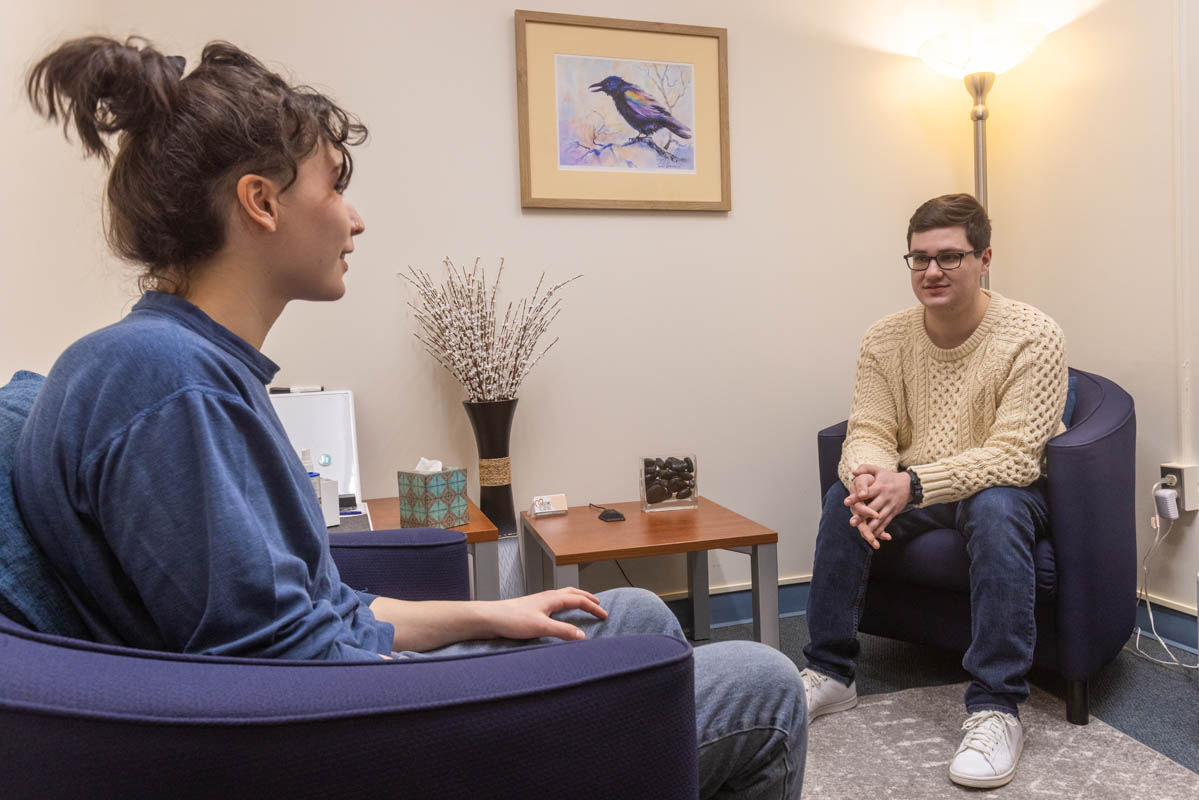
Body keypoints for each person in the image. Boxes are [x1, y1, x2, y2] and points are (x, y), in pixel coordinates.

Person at [14, 36, 805, 798]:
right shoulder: (168, 384)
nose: (354, 220)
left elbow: (316, 611)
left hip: (337, 692)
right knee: (764, 684)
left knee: (630, 610)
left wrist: (494, 614)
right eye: (333, 187)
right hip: (351, 740)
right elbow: (277, 668)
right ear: (260, 201)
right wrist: (480, 687)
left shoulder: (186, 365)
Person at [800, 193, 1068, 789]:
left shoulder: (1034, 334)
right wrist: (869, 477)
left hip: (1008, 487)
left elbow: (1016, 455)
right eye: (919, 258)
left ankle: (996, 707)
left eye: (950, 257)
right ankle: (830, 671)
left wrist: (914, 483)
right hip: (918, 485)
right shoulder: (885, 337)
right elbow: (870, 428)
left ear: (985, 259)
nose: (932, 271)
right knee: (843, 500)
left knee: (996, 508)